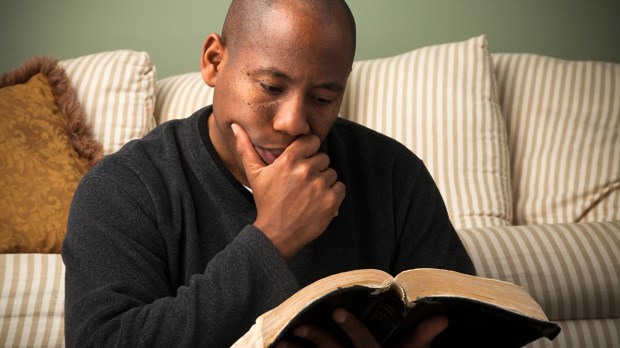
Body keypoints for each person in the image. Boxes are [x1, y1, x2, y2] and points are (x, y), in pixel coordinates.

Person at [62, 0, 475, 347]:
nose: (294, 122)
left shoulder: (393, 175)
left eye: (322, 97)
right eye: (271, 87)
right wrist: (273, 238)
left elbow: (468, 323)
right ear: (213, 61)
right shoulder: (120, 189)